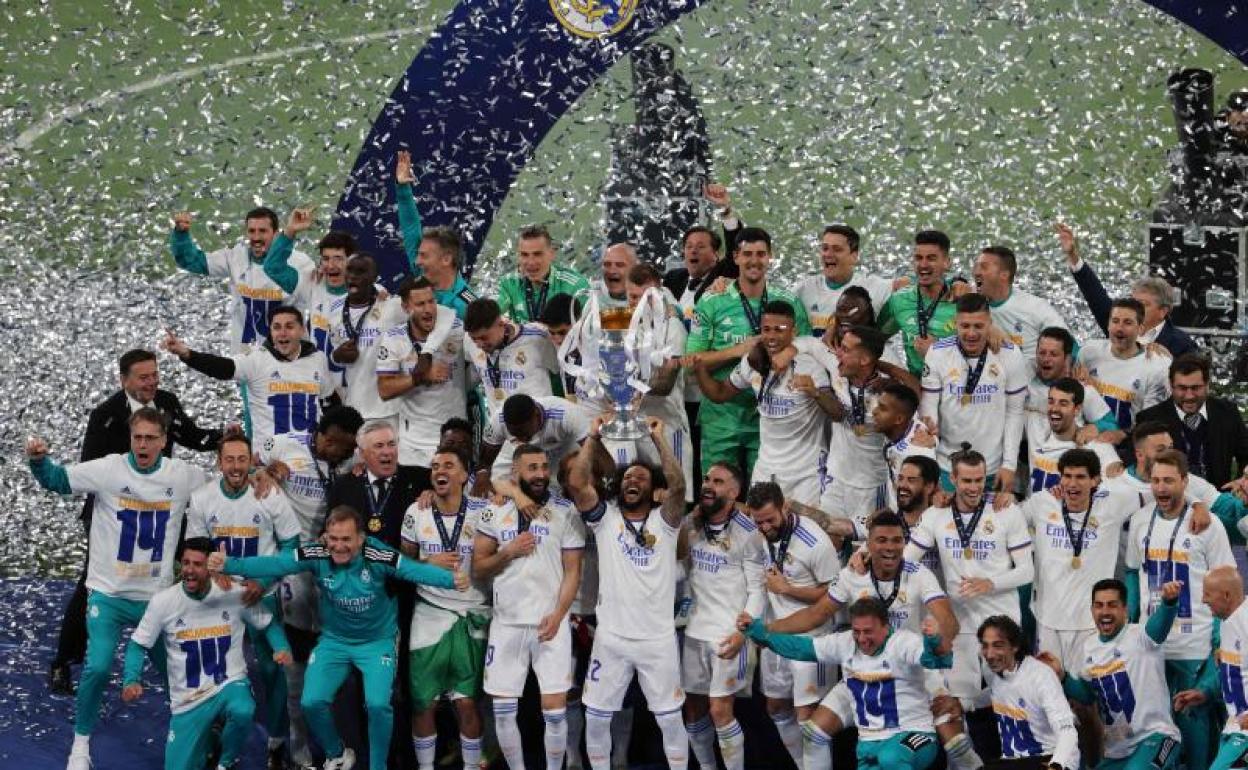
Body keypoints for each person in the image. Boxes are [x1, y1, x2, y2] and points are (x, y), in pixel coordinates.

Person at [208, 505, 469, 770]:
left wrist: (451, 580)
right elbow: (278, 562)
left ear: (361, 539)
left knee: (378, 705)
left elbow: (411, 570)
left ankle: (378, 766)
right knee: (311, 702)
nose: (338, 546)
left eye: (346, 539)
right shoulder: (318, 552)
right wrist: (230, 564)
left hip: (376, 643)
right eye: (333, 539)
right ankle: (337, 753)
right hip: (335, 641)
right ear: (325, 537)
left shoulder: (377, 554)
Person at [27, 407, 208, 770]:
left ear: (164, 440)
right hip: (108, 593)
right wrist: (38, 462)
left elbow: (224, 489)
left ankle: (194, 739)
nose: (142, 444)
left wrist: (258, 474)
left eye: (150, 438)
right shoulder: (110, 468)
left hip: (155, 599)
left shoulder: (184, 475)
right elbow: (60, 481)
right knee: (96, 667)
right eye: (137, 437)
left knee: (178, 676)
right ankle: (80, 747)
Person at [49, 349, 222, 695]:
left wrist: (221, 439)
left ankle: (196, 649)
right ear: (124, 380)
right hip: (115, 512)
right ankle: (64, 661)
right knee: (91, 584)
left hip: (160, 507)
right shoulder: (106, 415)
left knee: (191, 562)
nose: (152, 383)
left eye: (155, 375)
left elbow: (190, 435)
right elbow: (88, 467)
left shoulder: (167, 402)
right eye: (143, 377)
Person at [757, 510, 969, 770]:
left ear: (905, 542)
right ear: (867, 544)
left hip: (911, 670)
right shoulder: (852, 575)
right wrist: (768, 629)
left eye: (896, 540)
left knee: (955, 740)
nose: (890, 548)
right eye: (881, 540)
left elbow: (949, 620)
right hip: (862, 673)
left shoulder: (918, 574)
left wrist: (939, 638)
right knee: (814, 733)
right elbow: (816, 615)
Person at [564, 416, 691, 770]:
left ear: (653, 491)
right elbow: (577, 482)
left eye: (642, 477)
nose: (633, 480)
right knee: (598, 717)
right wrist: (591, 436)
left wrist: (657, 437)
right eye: (628, 477)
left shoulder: (665, 522)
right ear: (619, 486)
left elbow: (679, 487)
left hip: (657, 640)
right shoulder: (606, 519)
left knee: (669, 719)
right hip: (612, 639)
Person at [120, 537, 292, 770]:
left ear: (211, 568)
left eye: (197, 564)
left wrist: (281, 648)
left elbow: (268, 623)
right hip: (188, 701)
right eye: (186, 563)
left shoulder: (233, 593)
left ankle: (225, 763)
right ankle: (210, 745)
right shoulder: (163, 602)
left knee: (243, 709)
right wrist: (132, 678)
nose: (189, 570)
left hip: (227, 684)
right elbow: (138, 644)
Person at [255, 405, 364, 768]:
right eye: (344, 449)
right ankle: (299, 752)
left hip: (337, 567)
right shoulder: (286, 445)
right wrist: (266, 471)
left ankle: (342, 749)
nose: (349, 455)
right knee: (296, 668)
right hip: (298, 571)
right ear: (326, 439)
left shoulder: (350, 460)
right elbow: (252, 461)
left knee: (339, 663)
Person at [185, 431, 302, 768]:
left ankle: (277, 741)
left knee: (272, 668)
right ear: (219, 462)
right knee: (213, 668)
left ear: (252, 461)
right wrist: (210, 571)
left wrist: (263, 579)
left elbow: (293, 549)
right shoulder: (203, 498)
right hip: (218, 597)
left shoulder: (269, 495)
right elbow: (194, 550)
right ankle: (213, 738)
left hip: (260, 595)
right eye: (229, 460)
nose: (236, 467)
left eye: (242, 459)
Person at [473, 444, 585, 770]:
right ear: (514, 473)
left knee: (555, 709)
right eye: (531, 468)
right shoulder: (494, 511)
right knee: (503, 710)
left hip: (550, 622)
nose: (539, 474)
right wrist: (508, 552)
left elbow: (573, 571)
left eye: (542, 467)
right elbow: (479, 568)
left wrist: (559, 615)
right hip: (506, 623)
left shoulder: (565, 510)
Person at [744, 598, 954, 770]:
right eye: (857, 631)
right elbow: (801, 648)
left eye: (868, 631)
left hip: (914, 734)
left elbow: (933, 659)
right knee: (820, 735)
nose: (862, 639)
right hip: (869, 743)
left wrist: (934, 640)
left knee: (891, 758)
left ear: (885, 626)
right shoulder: (845, 643)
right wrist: (763, 635)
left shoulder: (903, 643)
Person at [1125, 448, 1235, 770]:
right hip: (1153, 646)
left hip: (1194, 645)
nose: (1160, 488)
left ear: (1185, 482)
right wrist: (1134, 622)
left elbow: (1226, 583)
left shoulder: (1208, 525)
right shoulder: (1139, 521)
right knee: (1157, 741)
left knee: (1197, 738)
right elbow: (1133, 572)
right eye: (1156, 480)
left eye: (1169, 481)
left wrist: (1218, 638)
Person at [904, 447, 1034, 707]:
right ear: (952, 480)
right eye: (966, 481)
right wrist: (864, 554)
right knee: (960, 701)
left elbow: (1027, 571)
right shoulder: (935, 514)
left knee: (1012, 697)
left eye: (979, 480)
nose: (974, 488)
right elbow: (906, 561)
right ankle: (967, 746)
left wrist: (990, 583)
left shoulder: (1006, 511)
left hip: (1000, 616)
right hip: (959, 620)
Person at [684, 226, 812, 479]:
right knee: (717, 494)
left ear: (770, 257)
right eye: (748, 254)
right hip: (721, 416)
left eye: (761, 254)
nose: (754, 260)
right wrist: (737, 351)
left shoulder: (788, 302)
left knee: (766, 496)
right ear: (735, 258)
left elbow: (806, 351)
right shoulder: (712, 301)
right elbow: (691, 364)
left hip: (771, 414)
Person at [400, 448, 491, 770]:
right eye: (435, 466)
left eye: (449, 465)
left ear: (466, 475)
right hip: (429, 612)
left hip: (474, 612)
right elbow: (402, 563)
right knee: (424, 703)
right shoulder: (416, 512)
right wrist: (429, 563)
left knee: (467, 702)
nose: (440, 470)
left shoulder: (485, 510)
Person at [1018, 448, 1148, 673]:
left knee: (1088, 697)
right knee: (1050, 689)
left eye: (1080, 477)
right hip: (1048, 619)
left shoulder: (1114, 503)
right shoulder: (1042, 502)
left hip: (1091, 623)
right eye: (1067, 476)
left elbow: (1159, 490)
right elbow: (1006, 520)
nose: (1072, 484)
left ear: (1095, 480)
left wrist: (1196, 505)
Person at [694, 299, 834, 504]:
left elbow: (837, 412)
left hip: (804, 474)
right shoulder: (753, 362)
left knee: (806, 530)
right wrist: (699, 369)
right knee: (759, 530)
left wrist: (815, 392)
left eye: (780, 329)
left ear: (793, 331)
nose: (772, 336)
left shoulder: (811, 366)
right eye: (766, 329)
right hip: (766, 469)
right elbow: (720, 393)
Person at [1036, 578, 1184, 770]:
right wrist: (1061, 676)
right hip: (1118, 751)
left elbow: (1160, 626)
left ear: (1125, 609)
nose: (1104, 611)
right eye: (1099, 606)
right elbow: (1087, 695)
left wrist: (1169, 603)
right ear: (1092, 610)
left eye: (1112, 605)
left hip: (1157, 738)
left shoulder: (1141, 637)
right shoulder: (1088, 648)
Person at [745, 481, 841, 766]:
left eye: (770, 520)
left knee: (807, 717)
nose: (764, 527)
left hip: (812, 638)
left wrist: (788, 589)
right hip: (777, 634)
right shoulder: (759, 535)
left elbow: (834, 594)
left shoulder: (815, 540)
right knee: (775, 707)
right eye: (758, 521)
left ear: (784, 507)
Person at [680, 462, 766, 770]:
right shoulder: (690, 526)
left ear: (734, 492)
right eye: (706, 479)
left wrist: (744, 632)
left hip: (729, 635)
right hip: (694, 631)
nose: (707, 485)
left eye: (717, 481)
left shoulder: (750, 533)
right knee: (693, 709)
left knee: (720, 711)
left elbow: (759, 590)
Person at [162, 306, 337, 448]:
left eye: (289, 327)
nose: (282, 333)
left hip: (310, 458)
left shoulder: (317, 359)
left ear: (302, 330)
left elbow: (329, 402)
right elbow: (224, 368)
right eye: (276, 328)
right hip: (269, 458)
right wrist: (186, 354)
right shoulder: (257, 358)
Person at [920, 293, 1028, 492]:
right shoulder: (937, 353)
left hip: (993, 470)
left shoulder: (1010, 354)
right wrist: (930, 457)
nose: (971, 333)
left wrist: (1009, 465)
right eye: (965, 326)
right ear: (955, 324)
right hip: (947, 468)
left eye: (978, 326)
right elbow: (928, 410)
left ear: (990, 323)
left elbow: (1015, 413)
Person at [170, 206, 314, 351]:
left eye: (262, 231)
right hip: (246, 358)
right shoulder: (235, 258)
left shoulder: (300, 262)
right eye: (251, 231)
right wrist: (181, 235)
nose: (256, 237)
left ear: (276, 234)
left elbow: (318, 297)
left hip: (288, 356)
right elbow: (192, 261)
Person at [822, 324, 922, 526]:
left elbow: (916, 393)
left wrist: (888, 368)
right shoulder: (837, 367)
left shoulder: (888, 392)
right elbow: (807, 345)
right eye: (840, 347)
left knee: (864, 545)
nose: (838, 353)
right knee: (830, 536)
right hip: (835, 477)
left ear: (865, 360)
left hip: (870, 484)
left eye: (846, 349)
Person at [377, 276, 467, 492]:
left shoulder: (455, 329)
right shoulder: (394, 338)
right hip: (414, 445)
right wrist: (419, 378)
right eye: (420, 304)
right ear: (406, 307)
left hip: (453, 441)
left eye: (431, 301)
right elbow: (384, 389)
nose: (428, 309)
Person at [1056, 223, 1198, 357]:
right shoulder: (1119, 326)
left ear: (1163, 311)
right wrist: (1073, 256)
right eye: (1133, 302)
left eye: (1143, 304)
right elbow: (1095, 294)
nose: (1135, 309)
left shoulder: (1182, 345)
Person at [261, 210, 355, 383]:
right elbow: (272, 268)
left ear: (352, 260)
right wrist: (291, 231)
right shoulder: (311, 283)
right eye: (325, 259)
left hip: (355, 387)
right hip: (318, 387)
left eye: (338, 259)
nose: (331, 265)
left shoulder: (371, 293)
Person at [975, 615, 1079, 770]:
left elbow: (1067, 731)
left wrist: (1056, 765)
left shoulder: (1040, 676)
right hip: (1011, 763)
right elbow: (993, 694)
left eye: (998, 645)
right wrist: (961, 704)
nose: (989, 654)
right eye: (985, 646)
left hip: (1050, 759)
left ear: (1015, 646)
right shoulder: (995, 674)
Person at [1136, 353, 1248, 489]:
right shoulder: (1150, 418)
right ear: (1171, 386)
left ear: (1207, 385)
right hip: (1168, 501)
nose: (1189, 396)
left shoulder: (1227, 413)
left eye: (1195, 388)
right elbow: (1137, 463)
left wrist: (1242, 482)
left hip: (1220, 502)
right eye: (1182, 388)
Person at [328, 254, 412, 422]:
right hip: (354, 408)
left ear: (373, 277)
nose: (352, 276)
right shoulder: (335, 310)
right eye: (350, 270)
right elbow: (337, 354)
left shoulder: (392, 306)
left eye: (360, 272)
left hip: (390, 409)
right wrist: (337, 356)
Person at [394, 151, 477, 318]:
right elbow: (410, 226)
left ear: (446, 259)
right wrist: (403, 188)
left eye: (424, 256)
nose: (417, 261)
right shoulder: (421, 274)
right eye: (418, 255)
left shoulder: (467, 307)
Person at [1076, 297, 1172, 433]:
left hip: (1128, 445)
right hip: (1087, 440)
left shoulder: (1157, 366)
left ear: (1140, 329)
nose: (1119, 328)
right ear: (1108, 325)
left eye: (1127, 323)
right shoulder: (1088, 353)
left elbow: (1151, 424)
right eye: (1115, 321)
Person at [878, 230, 961, 376]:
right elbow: (874, 339)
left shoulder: (962, 300)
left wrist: (937, 350)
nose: (923, 264)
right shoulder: (899, 301)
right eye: (918, 258)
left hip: (956, 386)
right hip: (918, 389)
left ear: (947, 262)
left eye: (931, 258)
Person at [1026, 327, 1122, 452]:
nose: (1046, 359)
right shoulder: (1023, 380)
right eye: (1042, 352)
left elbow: (1113, 426)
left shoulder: (1082, 389)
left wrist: (1096, 427)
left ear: (1066, 358)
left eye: (1053, 354)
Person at [463, 298, 561, 417]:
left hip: (538, 425)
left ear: (501, 324)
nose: (479, 344)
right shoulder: (468, 343)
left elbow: (562, 371)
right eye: (474, 339)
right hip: (500, 429)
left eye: (484, 338)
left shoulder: (538, 338)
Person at [475, 394, 591, 494]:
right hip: (520, 452)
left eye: (525, 434)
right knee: (493, 483)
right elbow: (485, 461)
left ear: (537, 415)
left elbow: (593, 451)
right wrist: (483, 475)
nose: (522, 439)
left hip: (562, 451)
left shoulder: (568, 414)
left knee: (574, 484)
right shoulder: (497, 421)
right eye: (515, 434)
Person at [793, 224, 896, 336]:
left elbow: (907, 286)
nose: (828, 254)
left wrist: (883, 332)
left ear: (854, 256)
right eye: (825, 248)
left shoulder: (873, 286)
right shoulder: (804, 289)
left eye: (837, 249)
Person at [1026, 379, 1121, 494]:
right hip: (1030, 509)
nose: (1055, 408)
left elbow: (1117, 487)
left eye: (1063, 403)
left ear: (1077, 409)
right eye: (1051, 402)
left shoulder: (1097, 446)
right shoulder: (1036, 429)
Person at [971, 245, 1067, 359]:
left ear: (1004, 275)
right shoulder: (968, 300)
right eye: (976, 266)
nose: (976, 272)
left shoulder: (1035, 307)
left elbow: (1069, 345)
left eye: (984, 267)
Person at [497, 225, 591, 323]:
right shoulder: (508, 284)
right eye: (524, 255)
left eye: (537, 254)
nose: (531, 262)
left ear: (551, 254)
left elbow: (596, 327)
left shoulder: (575, 285)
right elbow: (488, 316)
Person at [1203, 565, 1248, 770]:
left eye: (1208, 594)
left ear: (1227, 595)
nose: (1204, 600)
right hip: (1233, 727)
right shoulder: (1225, 622)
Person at [872, 383, 938, 512]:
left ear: (899, 419)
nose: (874, 412)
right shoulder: (909, 425)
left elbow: (925, 498)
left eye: (882, 408)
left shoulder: (917, 452)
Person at [593, 242, 637, 309]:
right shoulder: (592, 293)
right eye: (607, 264)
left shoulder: (650, 300)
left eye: (620, 265)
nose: (611, 271)